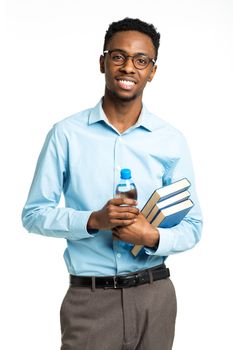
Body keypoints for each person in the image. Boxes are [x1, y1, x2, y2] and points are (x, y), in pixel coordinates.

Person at [22, 17, 202, 350]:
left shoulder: (171, 141)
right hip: (91, 301)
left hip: (155, 298)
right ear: (102, 62)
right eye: (118, 56)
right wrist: (93, 220)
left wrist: (151, 236)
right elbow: (34, 214)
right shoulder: (66, 134)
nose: (128, 67)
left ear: (152, 71)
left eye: (141, 60)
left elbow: (193, 226)